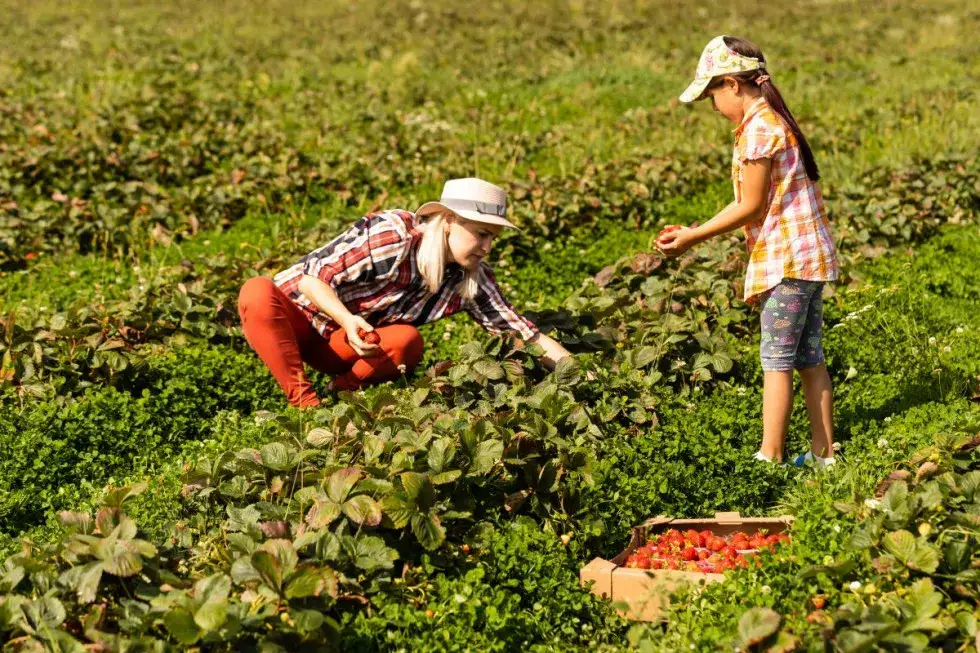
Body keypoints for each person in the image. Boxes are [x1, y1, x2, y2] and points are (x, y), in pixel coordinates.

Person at [658, 36, 839, 467]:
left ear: (732, 85)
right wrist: (695, 230)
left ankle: (770, 457)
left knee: (776, 360)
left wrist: (692, 239)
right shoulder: (772, 121)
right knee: (809, 359)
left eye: (712, 96)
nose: (713, 106)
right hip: (807, 260)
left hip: (786, 262)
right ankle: (824, 455)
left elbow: (751, 206)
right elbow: (748, 203)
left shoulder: (759, 130)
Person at [238, 177, 572, 408]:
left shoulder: (471, 278)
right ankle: (305, 404)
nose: (487, 247)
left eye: (492, 238)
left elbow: (525, 335)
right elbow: (311, 282)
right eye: (481, 234)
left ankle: (338, 395)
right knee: (257, 291)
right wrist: (347, 320)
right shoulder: (394, 236)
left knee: (406, 342)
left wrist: (581, 375)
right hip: (293, 323)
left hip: (340, 342)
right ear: (448, 220)